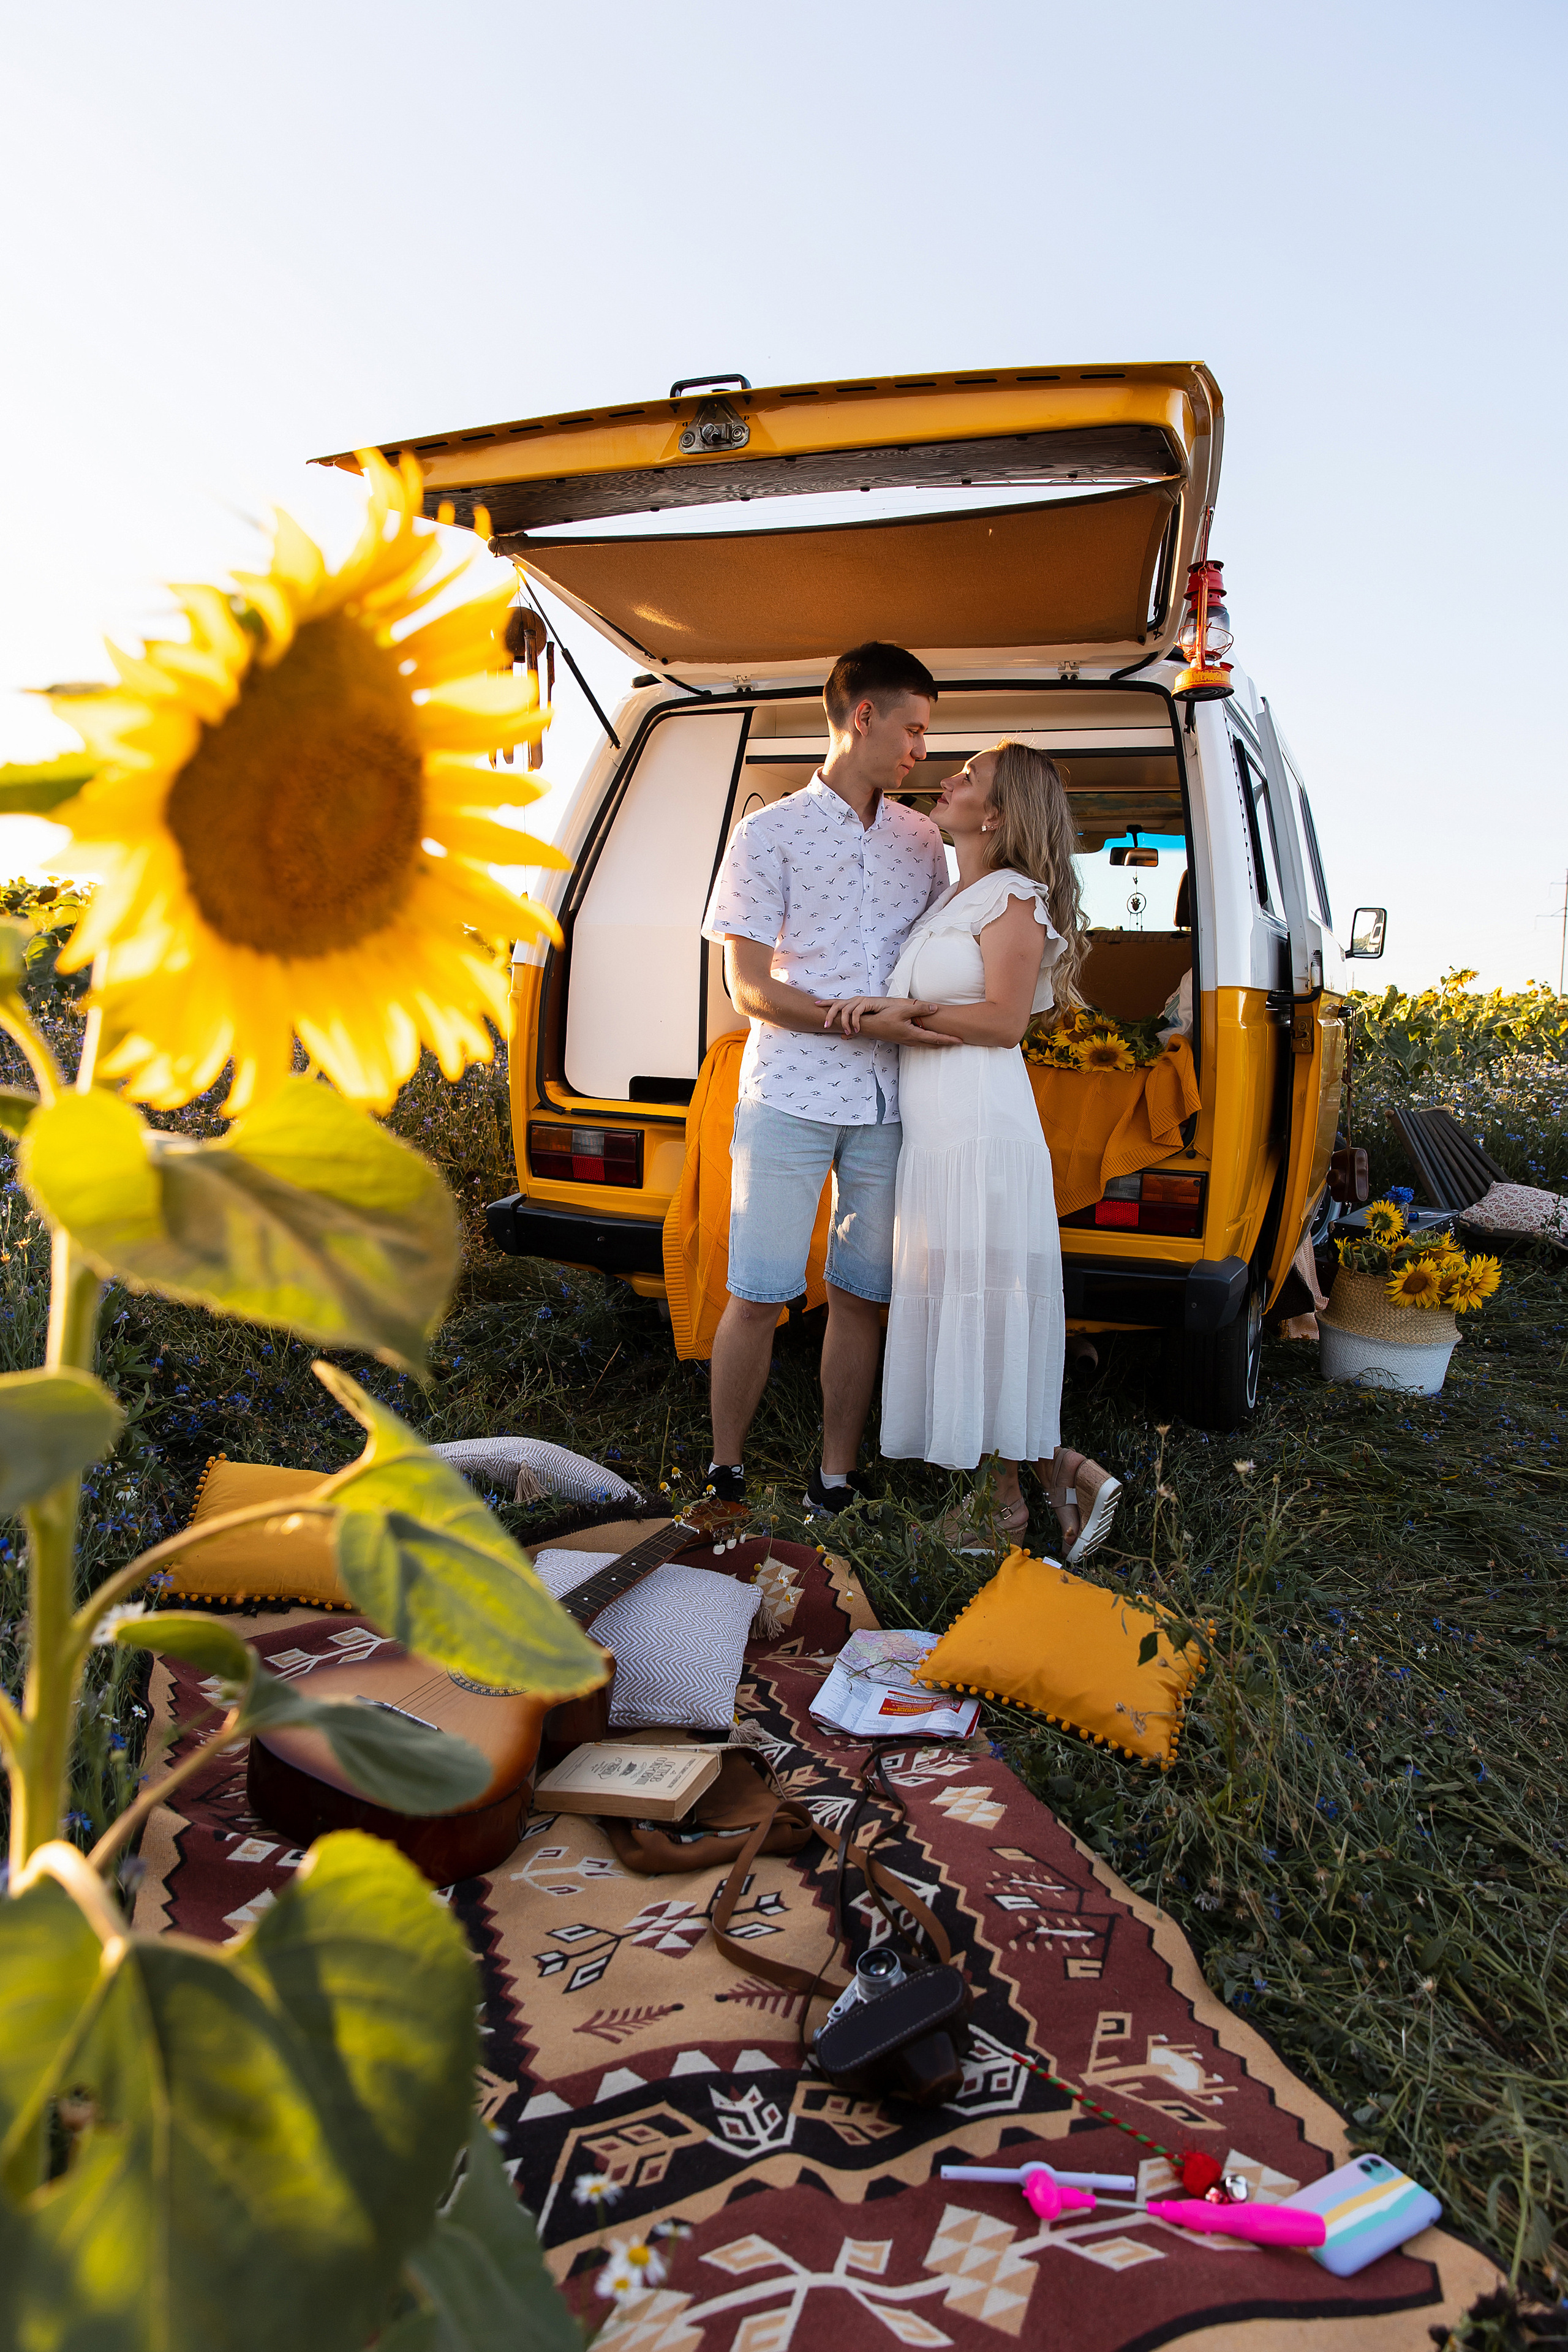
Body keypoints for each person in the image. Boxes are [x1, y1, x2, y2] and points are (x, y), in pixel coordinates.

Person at [822, 742, 1121, 1560]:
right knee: (961, 1294)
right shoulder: (958, 895)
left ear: (994, 814)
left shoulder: (1014, 899)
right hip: (938, 1127)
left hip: (981, 1128)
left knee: (983, 1302)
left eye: (968, 777)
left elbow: (1001, 1022)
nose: (946, 779)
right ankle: (1062, 1474)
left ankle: (1002, 1509)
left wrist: (900, 1013)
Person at [699, 643, 955, 1514]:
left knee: (862, 1298)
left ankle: (834, 1478)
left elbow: (935, 961)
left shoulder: (924, 840)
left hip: (890, 1105)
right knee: (756, 1293)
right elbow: (748, 988)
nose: (923, 748)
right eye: (914, 729)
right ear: (863, 718)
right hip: (789, 1099)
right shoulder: (765, 834)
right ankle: (725, 1473)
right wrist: (856, 1013)